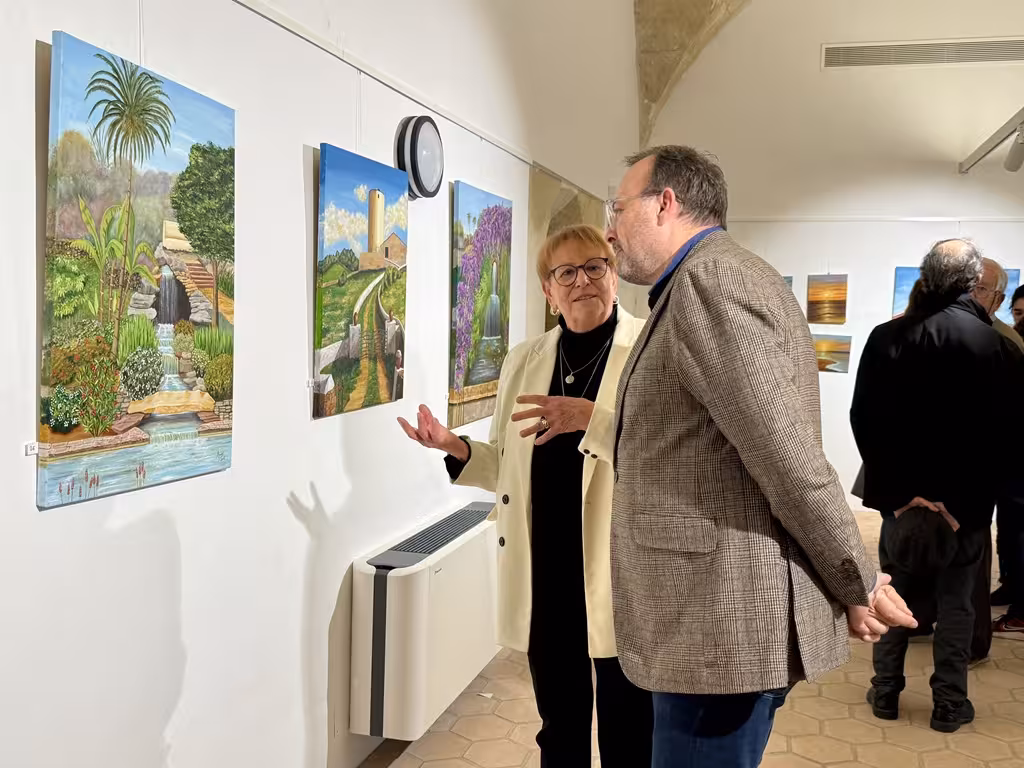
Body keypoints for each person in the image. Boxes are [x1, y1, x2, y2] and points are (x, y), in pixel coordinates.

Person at [601, 145, 916, 767]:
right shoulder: (704, 281)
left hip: (718, 622)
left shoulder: (709, 281)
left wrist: (855, 577)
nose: (609, 228)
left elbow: (786, 457)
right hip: (708, 616)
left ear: (665, 203)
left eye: (617, 207)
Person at [397, 224, 652, 767]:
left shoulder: (647, 352)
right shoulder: (526, 358)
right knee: (559, 725)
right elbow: (506, 469)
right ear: (548, 289)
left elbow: (669, 457)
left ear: (614, 274)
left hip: (618, 568)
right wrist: (454, 446)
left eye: (595, 266)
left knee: (629, 729)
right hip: (546, 569)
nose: (583, 280)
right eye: (567, 272)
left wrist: (595, 419)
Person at [852, 239, 1023, 732]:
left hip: (901, 506)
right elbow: (1008, 434)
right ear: (973, 284)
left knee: (891, 590)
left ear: (925, 277)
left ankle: (885, 692)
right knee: (957, 605)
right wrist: (963, 502)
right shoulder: (995, 346)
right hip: (964, 507)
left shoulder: (886, 337)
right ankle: (949, 704)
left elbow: (866, 419)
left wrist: (902, 497)